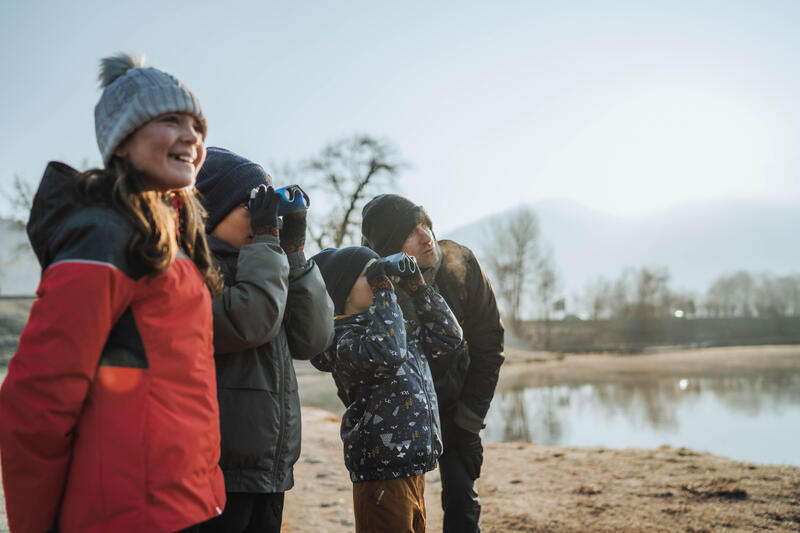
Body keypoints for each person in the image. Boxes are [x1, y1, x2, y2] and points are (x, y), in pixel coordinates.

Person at [0, 53, 225, 532]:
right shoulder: (102, 236)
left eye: (197, 125)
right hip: (130, 516)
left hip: (189, 503)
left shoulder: (174, 237)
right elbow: (36, 404)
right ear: (122, 139)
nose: (193, 137)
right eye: (170, 120)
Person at [194, 147, 334, 533]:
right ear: (212, 209)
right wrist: (268, 242)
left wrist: (296, 255)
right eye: (252, 206)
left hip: (270, 470)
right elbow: (251, 320)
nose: (263, 220)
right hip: (217, 471)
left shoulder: (267, 267)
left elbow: (315, 338)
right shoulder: (193, 270)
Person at [361, 194, 505, 533]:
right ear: (389, 246)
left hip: (456, 406)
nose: (426, 236)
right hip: (396, 416)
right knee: (400, 513)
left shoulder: (461, 265)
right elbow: (354, 369)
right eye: (411, 232)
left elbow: (489, 347)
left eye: (425, 224)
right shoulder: (367, 284)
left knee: (462, 503)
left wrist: (470, 422)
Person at [311, 247, 463, 533]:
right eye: (369, 274)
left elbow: (449, 336)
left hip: (411, 467)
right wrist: (382, 287)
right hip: (380, 473)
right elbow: (388, 354)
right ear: (343, 289)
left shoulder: (395, 328)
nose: (382, 281)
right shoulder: (342, 340)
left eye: (379, 274)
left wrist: (418, 288)